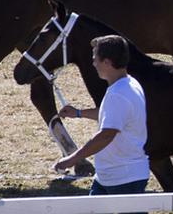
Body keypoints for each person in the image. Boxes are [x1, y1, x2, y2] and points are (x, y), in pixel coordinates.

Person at [54, 36, 149, 196]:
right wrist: (78, 113)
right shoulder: (128, 84)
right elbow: (111, 114)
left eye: (95, 59)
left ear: (107, 62)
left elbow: (106, 135)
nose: (93, 64)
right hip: (110, 176)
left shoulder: (118, 94)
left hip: (123, 179)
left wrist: (72, 159)